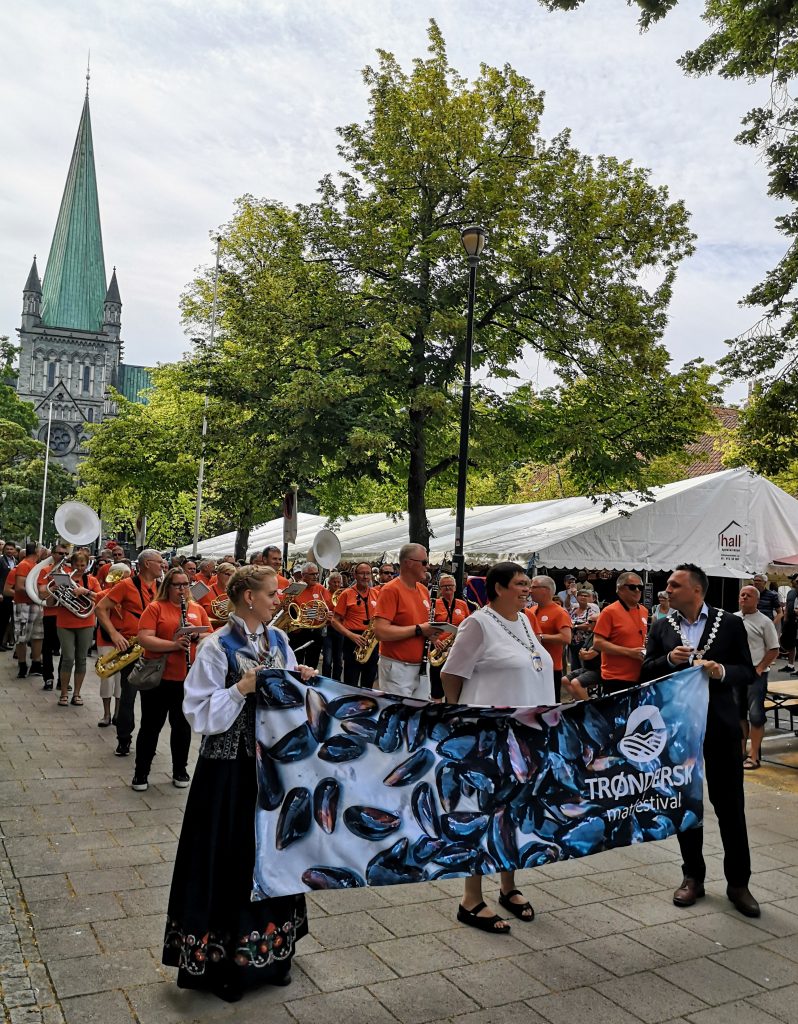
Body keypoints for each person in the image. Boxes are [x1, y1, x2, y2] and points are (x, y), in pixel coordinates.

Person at [163, 565, 312, 1002]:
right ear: (248, 597)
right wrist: (241, 689)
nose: (277, 599)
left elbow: (287, 699)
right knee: (231, 861)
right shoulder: (216, 646)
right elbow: (199, 714)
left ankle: (274, 955)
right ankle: (225, 965)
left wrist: (298, 679)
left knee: (272, 858)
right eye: (271, 593)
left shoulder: (279, 640)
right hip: (229, 774)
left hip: (274, 772)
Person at [441, 561, 555, 933]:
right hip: (490, 737)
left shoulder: (524, 621)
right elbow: (451, 673)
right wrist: (462, 721)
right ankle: (471, 899)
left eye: (528, 584)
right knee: (484, 811)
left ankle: (508, 886)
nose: (528, 589)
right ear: (499, 587)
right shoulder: (478, 623)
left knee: (516, 809)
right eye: (521, 584)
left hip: (527, 735)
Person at [642, 563, 759, 918]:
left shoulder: (731, 623)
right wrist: (667, 660)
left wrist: (720, 670)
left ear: (697, 590)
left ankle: (739, 883)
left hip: (721, 727)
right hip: (679, 729)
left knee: (730, 806)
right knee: (685, 804)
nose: (668, 589)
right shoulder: (662, 625)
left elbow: (746, 671)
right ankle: (693, 876)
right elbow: (645, 671)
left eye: (675, 585)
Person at [132, 567, 211, 792]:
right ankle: (141, 772)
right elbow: (145, 639)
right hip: (158, 678)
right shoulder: (155, 608)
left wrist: (196, 635)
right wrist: (174, 645)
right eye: (177, 585)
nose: (183, 589)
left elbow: (209, 635)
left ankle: (180, 769)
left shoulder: (196, 608)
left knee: (182, 727)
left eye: (186, 584)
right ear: (168, 586)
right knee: (150, 726)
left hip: (186, 679)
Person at [95, 549, 166, 757]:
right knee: (128, 696)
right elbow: (101, 607)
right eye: (159, 562)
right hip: (132, 648)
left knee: (153, 700)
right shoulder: (126, 585)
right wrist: (115, 634)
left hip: (155, 648)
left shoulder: (161, 587)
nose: (163, 565)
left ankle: (148, 739)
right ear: (146, 564)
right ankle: (124, 738)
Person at [372, 543, 443, 699]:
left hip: (422, 666)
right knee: (399, 717)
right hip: (397, 666)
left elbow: (421, 626)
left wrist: (431, 634)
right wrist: (419, 629)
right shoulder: (391, 589)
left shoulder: (424, 590)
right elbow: (380, 631)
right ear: (408, 562)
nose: (428, 566)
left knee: (419, 717)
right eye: (424, 562)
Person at [736, 585, 779, 770]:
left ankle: (754, 756)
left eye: (749, 595)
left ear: (757, 600)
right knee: (738, 714)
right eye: (742, 595)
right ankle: (740, 752)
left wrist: (760, 669)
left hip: (755, 673)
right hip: (737, 673)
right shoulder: (732, 619)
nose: (744, 597)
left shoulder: (764, 622)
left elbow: (774, 649)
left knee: (755, 715)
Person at [53, 551, 102, 707]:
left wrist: (86, 591)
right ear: (71, 565)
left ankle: (77, 693)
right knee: (67, 657)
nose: (80, 568)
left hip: (85, 623)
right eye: (77, 565)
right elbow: (48, 603)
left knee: (81, 659)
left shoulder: (91, 580)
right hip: (64, 623)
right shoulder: (63, 578)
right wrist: (54, 590)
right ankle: (63, 693)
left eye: (83, 565)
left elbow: (101, 598)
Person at [592, 571, 648, 695]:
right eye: (633, 587)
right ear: (620, 589)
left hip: (640, 675)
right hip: (616, 678)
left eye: (640, 587)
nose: (637, 590)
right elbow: (597, 643)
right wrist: (629, 652)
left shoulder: (644, 610)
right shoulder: (609, 612)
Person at [95, 563, 132, 727]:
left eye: (126, 577)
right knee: (107, 678)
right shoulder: (103, 595)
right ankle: (106, 713)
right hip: (107, 639)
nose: (123, 580)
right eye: (120, 576)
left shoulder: (131, 596)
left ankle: (118, 713)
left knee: (121, 680)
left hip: (126, 639)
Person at [332, 561, 379, 687]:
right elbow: (334, 620)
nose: (365, 577)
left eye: (368, 574)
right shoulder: (346, 594)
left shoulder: (376, 593)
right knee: (350, 682)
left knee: (368, 682)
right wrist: (351, 635)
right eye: (362, 574)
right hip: (352, 639)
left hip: (371, 639)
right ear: (355, 575)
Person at [526, 575, 572, 697]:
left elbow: (566, 638)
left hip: (551, 668)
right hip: (530, 666)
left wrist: (540, 637)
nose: (529, 590)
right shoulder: (530, 610)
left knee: (550, 706)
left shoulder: (560, 612)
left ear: (545, 590)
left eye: (533, 587)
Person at [429, 574, 470, 700]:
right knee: (437, 685)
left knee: (454, 684)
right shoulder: (434, 604)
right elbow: (427, 625)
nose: (447, 588)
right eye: (444, 586)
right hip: (439, 648)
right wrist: (434, 640)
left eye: (450, 586)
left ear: (455, 587)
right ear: (440, 589)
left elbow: (468, 624)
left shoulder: (462, 604)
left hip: (457, 648)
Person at [288, 562, 331, 668]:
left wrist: (328, 615)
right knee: (297, 663)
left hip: (316, 631)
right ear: (303, 575)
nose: (315, 576)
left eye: (316, 573)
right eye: (312, 574)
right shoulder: (295, 588)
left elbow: (329, 607)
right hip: (298, 632)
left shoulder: (321, 588)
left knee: (313, 663)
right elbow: (287, 609)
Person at [13, 544, 47, 678]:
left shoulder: (36, 565)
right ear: (37, 551)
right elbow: (20, 586)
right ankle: (22, 664)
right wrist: (37, 592)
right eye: (42, 549)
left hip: (36, 604)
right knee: (22, 635)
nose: (44, 551)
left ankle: (36, 664)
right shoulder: (24, 565)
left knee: (38, 635)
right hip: (24, 604)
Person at [38, 540, 69, 690]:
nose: (63, 556)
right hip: (50, 612)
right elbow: (42, 592)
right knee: (47, 646)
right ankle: (48, 677)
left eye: (65, 554)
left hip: (66, 613)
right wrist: (54, 587)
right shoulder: (45, 570)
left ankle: (62, 680)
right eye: (60, 553)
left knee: (67, 649)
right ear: (53, 554)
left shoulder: (70, 570)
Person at [561, 613, 601, 700]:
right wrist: (585, 653)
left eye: (590, 621)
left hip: (598, 670)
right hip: (586, 668)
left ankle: (589, 708)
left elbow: (588, 655)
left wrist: (585, 654)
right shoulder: (591, 635)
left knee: (576, 683)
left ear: (598, 623)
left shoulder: (601, 636)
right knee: (565, 680)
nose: (587, 623)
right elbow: (582, 652)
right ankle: (580, 703)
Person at [199, 561, 236, 628]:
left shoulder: (235, 592)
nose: (230, 577)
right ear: (218, 574)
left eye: (232, 575)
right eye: (227, 574)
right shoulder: (204, 590)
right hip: (210, 628)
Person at [322, 572, 345, 679]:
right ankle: (326, 681)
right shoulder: (324, 593)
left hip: (340, 629)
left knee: (338, 660)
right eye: (334, 582)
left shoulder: (344, 594)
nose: (336, 584)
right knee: (327, 660)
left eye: (338, 582)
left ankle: (337, 681)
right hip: (328, 629)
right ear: (329, 582)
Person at [779, 572, 798, 674]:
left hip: (796, 621)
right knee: (791, 644)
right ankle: (790, 665)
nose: (791, 581)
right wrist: (785, 620)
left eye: (793, 579)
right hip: (790, 622)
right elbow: (787, 607)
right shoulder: (790, 592)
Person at [0, 541, 18, 650]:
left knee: (10, 620)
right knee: (2, 619)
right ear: (4, 550)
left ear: (15, 550)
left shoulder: (16, 561)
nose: (9, 551)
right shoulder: (1, 560)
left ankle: (4, 641)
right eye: (7, 549)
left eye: (11, 549)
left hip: (13, 594)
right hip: (3, 594)